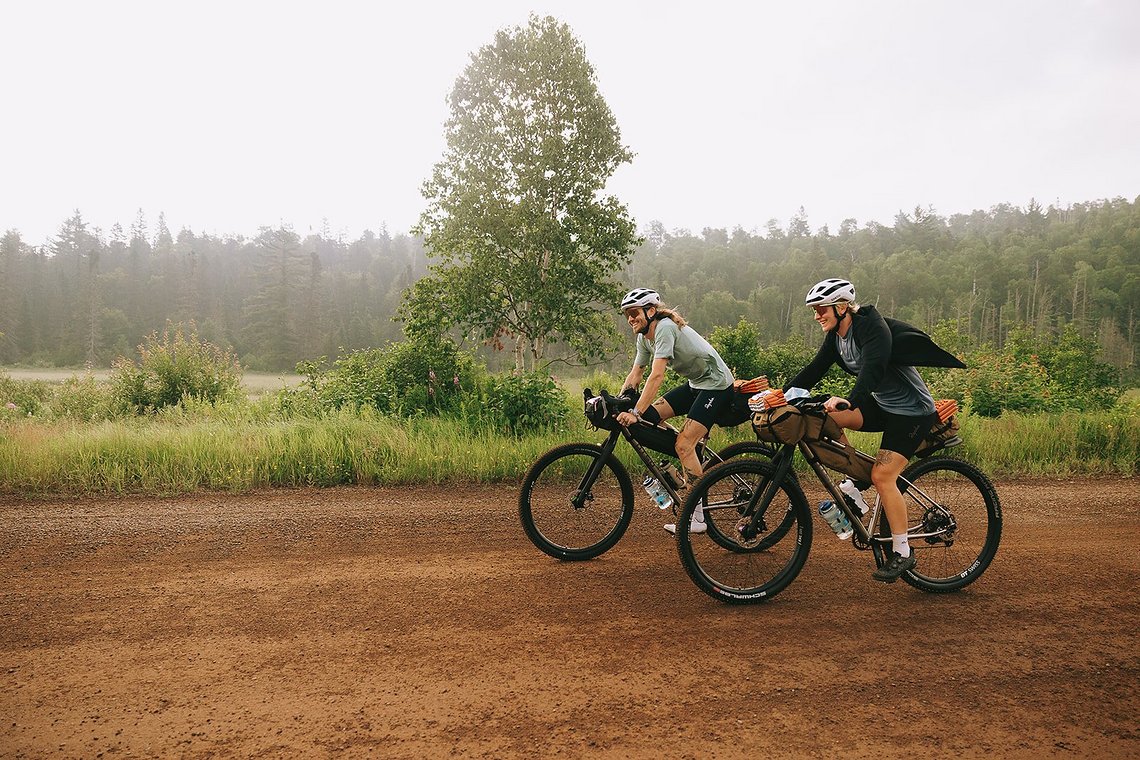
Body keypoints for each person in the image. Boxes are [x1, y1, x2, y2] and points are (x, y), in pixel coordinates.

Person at [786, 278, 966, 582]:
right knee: (826, 420)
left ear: (842, 307)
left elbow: (874, 367)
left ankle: (903, 552)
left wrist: (851, 400)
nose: (817, 315)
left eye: (821, 309)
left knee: (884, 476)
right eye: (814, 310)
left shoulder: (871, 327)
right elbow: (814, 370)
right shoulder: (836, 337)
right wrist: (781, 394)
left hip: (912, 412)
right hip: (883, 406)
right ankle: (855, 482)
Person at [614, 288, 736, 535]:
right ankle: (685, 464)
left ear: (650, 311)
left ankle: (698, 517)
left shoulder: (665, 328)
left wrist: (635, 411)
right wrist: (620, 402)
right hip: (696, 385)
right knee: (649, 420)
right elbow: (636, 374)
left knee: (682, 444)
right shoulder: (643, 337)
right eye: (627, 314)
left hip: (717, 385)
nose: (630, 319)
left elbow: (656, 376)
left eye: (634, 313)